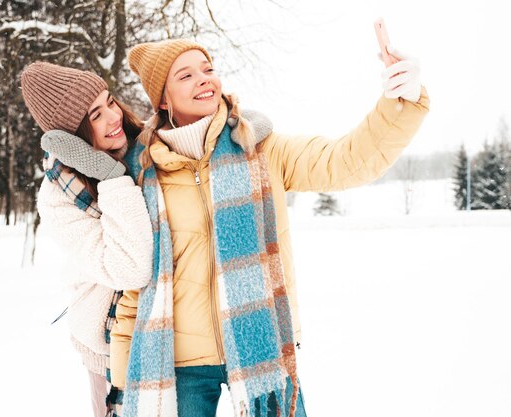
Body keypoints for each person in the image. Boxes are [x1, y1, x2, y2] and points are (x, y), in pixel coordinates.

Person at [110, 39, 430, 417]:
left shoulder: (260, 148)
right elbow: (136, 278)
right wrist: (122, 374)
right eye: (186, 74)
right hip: (179, 361)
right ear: (163, 100)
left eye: (207, 68)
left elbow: (346, 159)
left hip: (262, 345)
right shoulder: (143, 173)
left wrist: (401, 102)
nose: (204, 79)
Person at [20, 62, 154, 417]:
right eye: (96, 114)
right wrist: (110, 177)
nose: (113, 117)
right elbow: (131, 267)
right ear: (73, 136)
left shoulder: (146, 150)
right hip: (108, 346)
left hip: (170, 327)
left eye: (110, 102)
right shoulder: (58, 198)